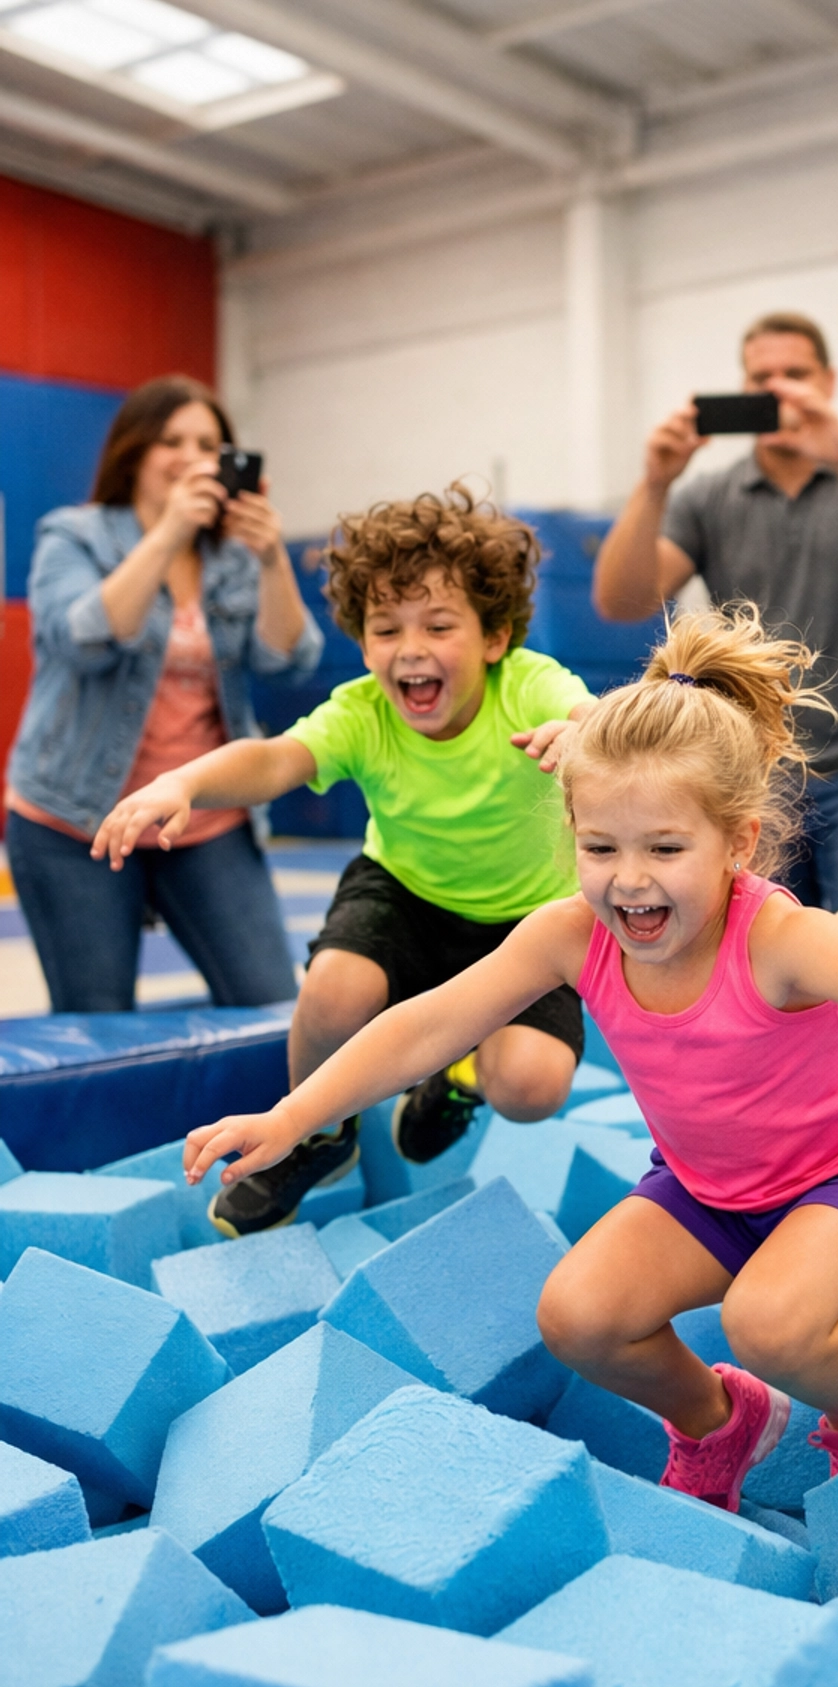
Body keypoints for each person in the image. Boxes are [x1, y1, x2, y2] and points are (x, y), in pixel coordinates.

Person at [183, 608, 838, 1509]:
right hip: (712, 1187)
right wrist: (292, 1117)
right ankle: (722, 1422)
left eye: (665, 849)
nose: (628, 879)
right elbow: (428, 1024)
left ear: (739, 844)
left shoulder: (778, 939)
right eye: (600, 848)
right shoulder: (572, 935)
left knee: (768, 1322)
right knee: (579, 1318)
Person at [95, 484, 593, 1235]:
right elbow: (273, 760)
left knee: (531, 1086)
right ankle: (320, 1135)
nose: (411, 648)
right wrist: (184, 781)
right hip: (405, 890)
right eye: (386, 629)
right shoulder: (362, 711)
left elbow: (593, 714)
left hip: (527, 919)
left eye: (438, 624)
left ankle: (453, 1080)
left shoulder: (529, 687)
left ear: (494, 639)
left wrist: (589, 735)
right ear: (363, 644)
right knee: (334, 990)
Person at [591, 311, 838, 915]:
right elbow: (622, 601)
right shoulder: (708, 496)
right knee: (762, 969)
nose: (779, 389)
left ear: (829, 382)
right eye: (761, 378)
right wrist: (655, 483)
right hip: (756, 770)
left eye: (796, 373)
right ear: (742, 392)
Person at [6, 374, 320, 1013]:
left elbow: (291, 660)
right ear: (136, 451)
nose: (192, 455)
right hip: (76, 818)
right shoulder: (74, 535)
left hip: (202, 818)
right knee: (97, 1018)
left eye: (208, 442)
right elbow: (84, 639)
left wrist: (270, 559)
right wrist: (169, 533)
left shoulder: (231, 556)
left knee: (267, 1001)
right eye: (171, 440)